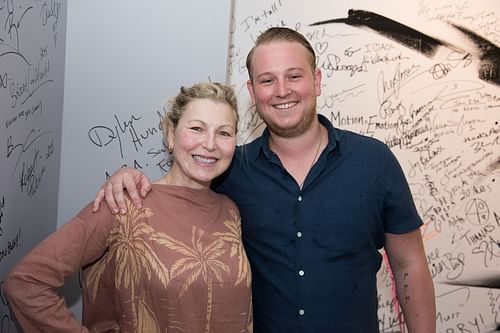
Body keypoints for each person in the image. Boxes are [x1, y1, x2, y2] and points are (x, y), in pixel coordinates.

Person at [94, 27, 436, 332]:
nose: (281, 90)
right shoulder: (231, 170)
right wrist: (128, 178)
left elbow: (409, 263)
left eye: (294, 76)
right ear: (252, 90)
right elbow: (177, 193)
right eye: (267, 80)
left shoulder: (373, 162)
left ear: (316, 81)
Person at [5, 82, 253, 333]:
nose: (210, 144)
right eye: (197, 128)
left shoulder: (229, 210)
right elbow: (26, 282)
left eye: (224, 133)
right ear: (170, 134)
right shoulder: (124, 203)